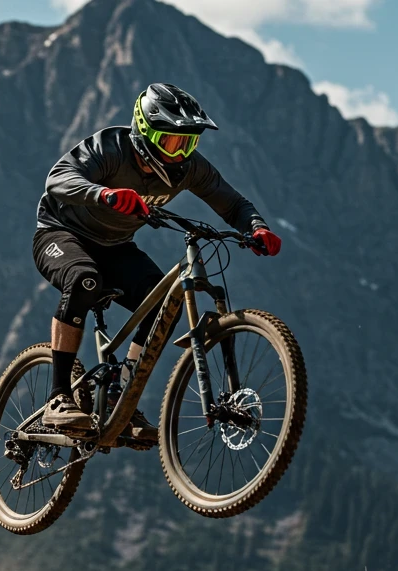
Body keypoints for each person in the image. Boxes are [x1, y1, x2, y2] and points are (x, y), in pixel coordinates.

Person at [32, 82, 282, 439]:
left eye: (188, 143)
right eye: (171, 141)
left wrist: (256, 228)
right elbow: (58, 179)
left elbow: (234, 203)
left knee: (163, 303)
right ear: (145, 132)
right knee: (85, 279)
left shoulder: (188, 168)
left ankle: (122, 398)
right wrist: (104, 194)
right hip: (60, 233)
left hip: (115, 245)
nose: (179, 153)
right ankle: (58, 397)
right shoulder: (110, 147)